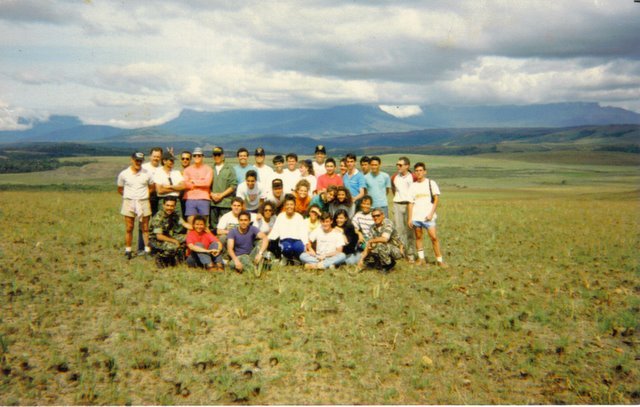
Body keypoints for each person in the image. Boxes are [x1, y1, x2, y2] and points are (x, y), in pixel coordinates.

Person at [407, 162, 447, 267]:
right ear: (414, 173)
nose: (419, 173)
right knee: (418, 237)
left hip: (428, 217)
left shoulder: (431, 183)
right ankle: (421, 259)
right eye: (416, 171)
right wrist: (410, 218)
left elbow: (436, 199)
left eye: (421, 170)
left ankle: (439, 260)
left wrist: (431, 214)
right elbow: (410, 203)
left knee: (434, 237)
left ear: (425, 172)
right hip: (416, 216)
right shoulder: (413, 186)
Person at [117, 152, 155, 259]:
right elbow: (120, 189)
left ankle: (147, 250)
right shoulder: (124, 174)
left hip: (143, 201)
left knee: (145, 228)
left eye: (140, 161)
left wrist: (145, 195)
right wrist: (129, 196)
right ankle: (128, 250)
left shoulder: (147, 173)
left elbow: (152, 186)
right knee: (129, 227)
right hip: (129, 201)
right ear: (132, 160)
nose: (138, 162)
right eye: (136, 160)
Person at [357, 208, 404, 273]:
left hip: (397, 250)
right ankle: (379, 262)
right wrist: (361, 259)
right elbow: (369, 244)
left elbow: (384, 239)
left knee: (380, 244)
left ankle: (387, 265)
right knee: (369, 249)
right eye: (373, 216)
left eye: (378, 215)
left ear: (383, 215)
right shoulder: (372, 227)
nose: (376, 217)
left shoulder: (388, 223)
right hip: (385, 248)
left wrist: (371, 241)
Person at [149, 197, 192, 268]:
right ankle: (160, 258)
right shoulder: (159, 217)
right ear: (163, 205)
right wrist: (174, 241)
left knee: (188, 238)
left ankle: (178, 258)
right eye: (167, 205)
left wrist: (200, 227)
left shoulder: (173, 214)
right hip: (156, 240)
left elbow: (185, 224)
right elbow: (159, 236)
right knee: (172, 247)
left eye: (172, 206)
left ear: (175, 206)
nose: (169, 208)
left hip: (168, 236)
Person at [268, 194, 308, 265]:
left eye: (291, 204)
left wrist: (306, 243)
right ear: (284, 206)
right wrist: (268, 239)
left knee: (298, 248)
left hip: (297, 240)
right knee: (287, 248)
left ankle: (295, 259)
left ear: (295, 206)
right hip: (285, 240)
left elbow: (303, 232)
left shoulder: (299, 217)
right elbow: (275, 230)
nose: (289, 206)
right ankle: (285, 257)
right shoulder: (280, 216)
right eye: (287, 204)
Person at [137, 146, 163, 254]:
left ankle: (155, 246)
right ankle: (141, 247)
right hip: (145, 197)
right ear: (150, 156)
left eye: (158, 156)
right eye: (154, 156)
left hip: (159, 198)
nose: (156, 158)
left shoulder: (162, 168)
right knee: (143, 223)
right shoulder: (143, 168)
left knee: (157, 223)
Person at [391, 156, 417, 262]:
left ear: (407, 166)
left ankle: (410, 254)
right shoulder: (394, 177)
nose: (398, 167)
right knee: (399, 230)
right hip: (397, 204)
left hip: (410, 205)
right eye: (397, 164)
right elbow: (394, 190)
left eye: (400, 165)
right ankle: (401, 252)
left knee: (410, 230)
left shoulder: (413, 177)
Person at [183, 147, 213, 226]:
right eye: (195, 155)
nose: (197, 157)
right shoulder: (187, 170)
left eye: (199, 155)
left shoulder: (208, 169)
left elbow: (207, 183)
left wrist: (193, 181)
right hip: (190, 199)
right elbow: (186, 184)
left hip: (204, 198)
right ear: (192, 157)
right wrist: (201, 182)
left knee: (203, 224)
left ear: (202, 156)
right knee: (191, 223)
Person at [210, 146, 238, 231]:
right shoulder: (210, 169)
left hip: (225, 203)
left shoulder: (229, 169)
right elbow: (206, 185)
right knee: (213, 226)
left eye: (219, 154)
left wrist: (221, 195)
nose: (217, 157)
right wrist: (211, 194)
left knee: (226, 226)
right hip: (213, 203)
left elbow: (233, 185)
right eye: (215, 155)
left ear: (223, 155)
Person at [178, 150, 191, 218]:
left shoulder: (193, 171)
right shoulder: (179, 172)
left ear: (190, 160)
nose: (185, 160)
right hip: (180, 200)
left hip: (190, 200)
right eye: (183, 158)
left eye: (187, 159)